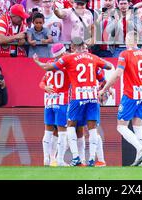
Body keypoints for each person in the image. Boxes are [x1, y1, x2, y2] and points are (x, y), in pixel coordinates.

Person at [34, 37, 113, 167]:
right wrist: (98, 61)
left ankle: (74, 158)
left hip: (75, 98)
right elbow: (108, 67)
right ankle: (92, 159)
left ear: (71, 47)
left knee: (69, 127)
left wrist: (37, 62)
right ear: (83, 46)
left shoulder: (67, 59)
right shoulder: (92, 57)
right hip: (92, 97)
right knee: (92, 129)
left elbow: (48, 68)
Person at [98, 31, 142, 166]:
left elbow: (118, 74)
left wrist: (104, 89)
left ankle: (140, 149)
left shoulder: (125, 54)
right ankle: (140, 161)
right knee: (138, 127)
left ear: (129, 40)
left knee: (121, 127)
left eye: (126, 38)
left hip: (130, 95)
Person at [34, 43, 71, 166]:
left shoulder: (49, 64)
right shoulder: (66, 64)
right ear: (62, 52)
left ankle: (46, 159)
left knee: (48, 132)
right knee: (62, 133)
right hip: (61, 101)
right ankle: (59, 160)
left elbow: (41, 83)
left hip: (49, 102)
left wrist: (45, 87)